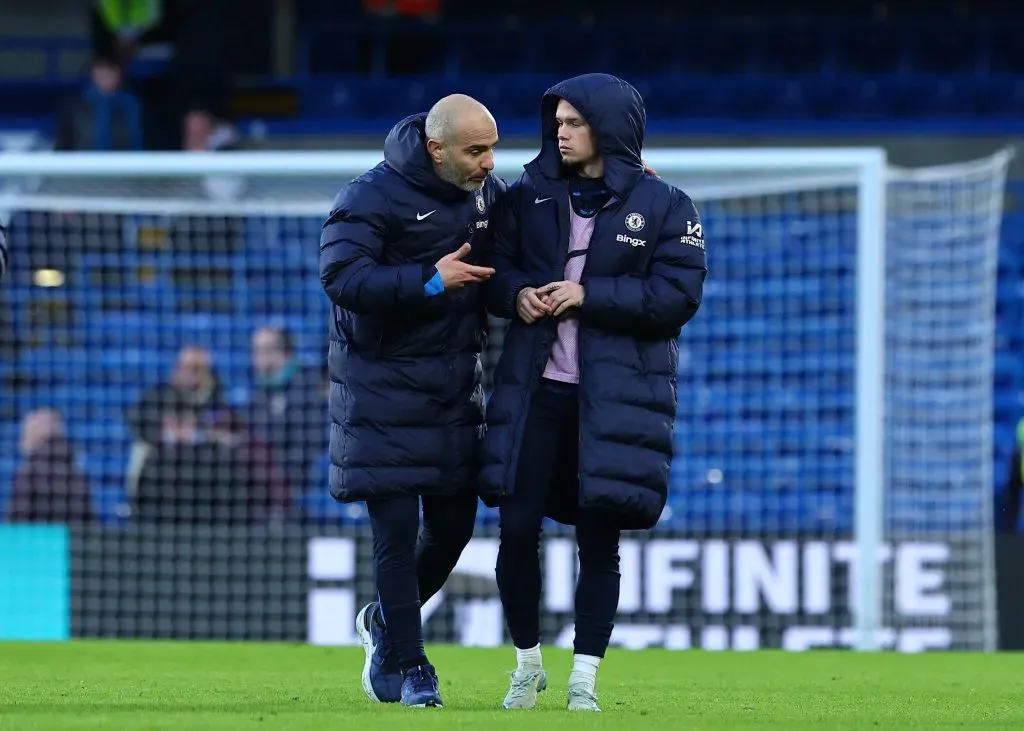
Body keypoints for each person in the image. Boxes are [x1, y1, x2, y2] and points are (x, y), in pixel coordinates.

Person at [479, 73, 708, 711]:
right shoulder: (527, 196)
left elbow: (676, 297)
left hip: (613, 402)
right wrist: (515, 294)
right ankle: (527, 665)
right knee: (516, 528)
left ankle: (585, 678)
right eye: (558, 121)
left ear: (609, 128)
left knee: (597, 538)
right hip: (536, 392)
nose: (561, 130)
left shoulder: (667, 205)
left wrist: (589, 295)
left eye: (575, 122)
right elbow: (492, 269)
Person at [319, 94, 503, 708]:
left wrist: (624, 179)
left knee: (452, 531)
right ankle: (410, 664)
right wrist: (429, 280)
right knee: (395, 534)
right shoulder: (368, 196)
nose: (488, 162)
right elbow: (341, 278)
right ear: (436, 148)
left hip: (452, 395)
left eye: (492, 149)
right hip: (380, 393)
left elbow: (537, 211)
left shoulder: (486, 193)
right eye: (476, 151)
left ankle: (381, 623)